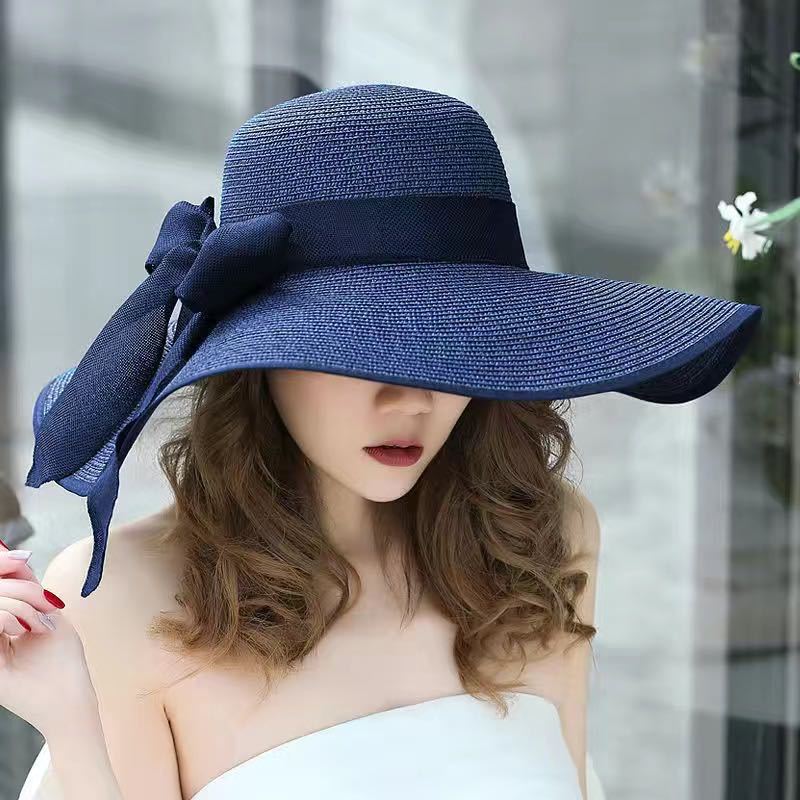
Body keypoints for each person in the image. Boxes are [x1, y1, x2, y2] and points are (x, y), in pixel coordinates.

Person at [3, 82, 761, 800]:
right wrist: (70, 723)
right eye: (354, 350)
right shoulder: (126, 595)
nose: (411, 400)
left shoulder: (541, 542)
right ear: (260, 359)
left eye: (451, 342)